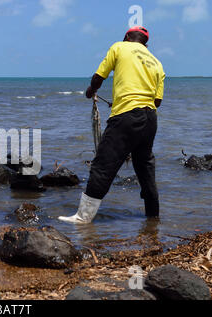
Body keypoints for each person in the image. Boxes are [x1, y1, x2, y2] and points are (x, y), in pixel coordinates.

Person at [59, 26, 165, 224]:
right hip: (150, 119)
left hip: (126, 116)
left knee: (103, 165)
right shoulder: (157, 63)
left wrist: (91, 90)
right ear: (145, 44)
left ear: (126, 37)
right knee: (145, 168)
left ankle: (82, 218)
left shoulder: (119, 47)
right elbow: (157, 101)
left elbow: (99, 76)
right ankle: (153, 218)